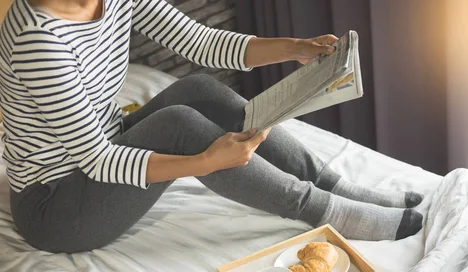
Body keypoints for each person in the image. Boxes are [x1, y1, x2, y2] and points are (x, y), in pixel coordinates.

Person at [0, 0, 424, 253]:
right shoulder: (38, 40)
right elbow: (98, 161)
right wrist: (203, 162)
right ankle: (325, 210)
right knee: (178, 123)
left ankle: (333, 186)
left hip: (102, 149)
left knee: (198, 89)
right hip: (56, 204)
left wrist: (295, 48)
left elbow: (201, 43)